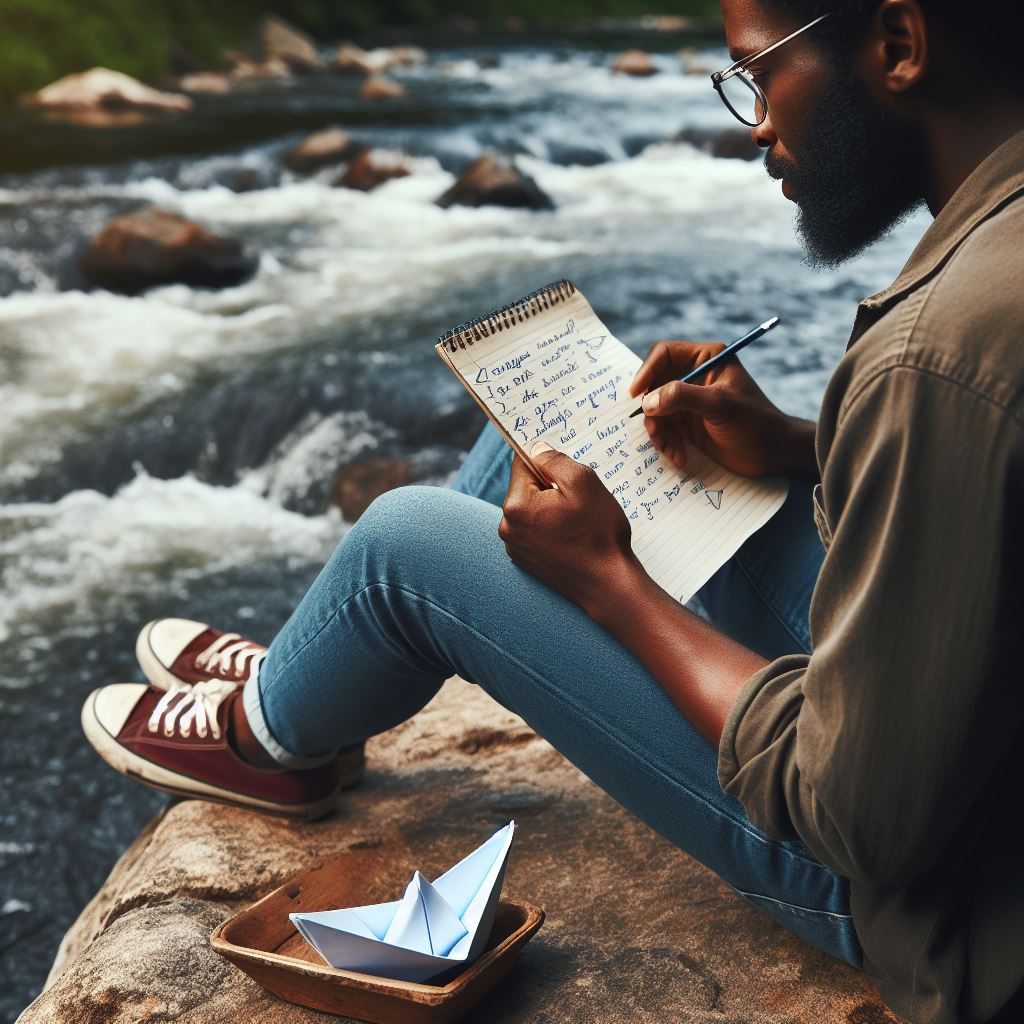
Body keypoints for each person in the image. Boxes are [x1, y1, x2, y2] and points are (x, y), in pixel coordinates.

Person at [80, 0, 1024, 1021]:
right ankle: (309, 677)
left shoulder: (939, 352)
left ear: (897, 45)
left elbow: (858, 815)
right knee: (549, 444)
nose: (754, 122)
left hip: (937, 903)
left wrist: (612, 584)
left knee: (408, 544)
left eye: (756, 73)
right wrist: (803, 443)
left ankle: (271, 737)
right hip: (971, 773)